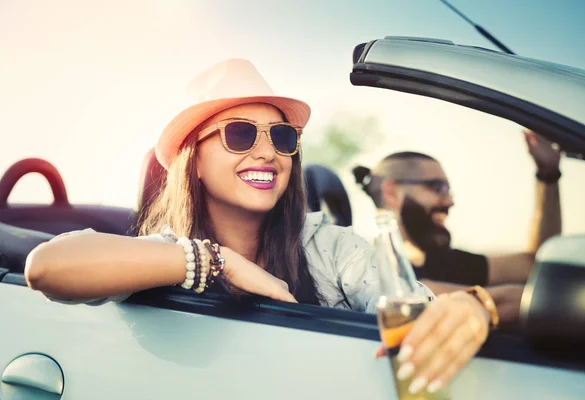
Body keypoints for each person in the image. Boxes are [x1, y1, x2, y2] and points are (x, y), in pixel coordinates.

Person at [25, 59, 497, 394]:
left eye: (283, 136)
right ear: (196, 162)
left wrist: (472, 310)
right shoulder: (163, 254)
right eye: (240, 133)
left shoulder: (331, 248)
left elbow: (413, 310)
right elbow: (47, 267)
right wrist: (218, 261)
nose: (268, 152)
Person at [353, 141, 561, 326]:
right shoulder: (379, 275)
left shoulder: (445, 262)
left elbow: (535, 264)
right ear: (392, 192)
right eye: (437, 188)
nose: (450, 201)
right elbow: (507, 301)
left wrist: (548, 174)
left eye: (448, 190)